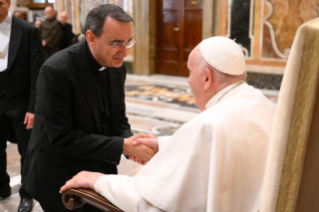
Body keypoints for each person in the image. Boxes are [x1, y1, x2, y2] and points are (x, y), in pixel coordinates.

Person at [60, 36, 276, 212]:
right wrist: (161, 144)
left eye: (191, 72)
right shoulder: (260, 102)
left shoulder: (208, 125)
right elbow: (214, 145)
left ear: (207, 78)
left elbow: (147, 204)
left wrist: (97, 181)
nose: (189, 81)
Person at [22, 4, 156, 212]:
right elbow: (63, 138)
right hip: (58, 172)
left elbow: (118, 117)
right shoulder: (56, 70)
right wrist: (122, 146)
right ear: (91, 38)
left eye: (128, 41)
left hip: (99, 166)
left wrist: (132, 143)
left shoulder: (116, 66)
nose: (125, 51)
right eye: (116, 43)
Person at [0, 0, 44, 212]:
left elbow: (37, 72)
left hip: (21, 102)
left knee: (27, 151)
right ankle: (2, 187)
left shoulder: (27, 31)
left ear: (8, 3)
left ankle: (27, 193)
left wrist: (33, 108)